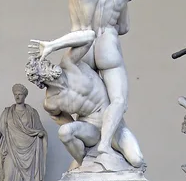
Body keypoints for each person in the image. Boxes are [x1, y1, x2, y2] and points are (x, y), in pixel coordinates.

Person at [29, 0, 138, 158]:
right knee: (117, 100)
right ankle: (105, 145)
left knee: (81, 95)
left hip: (81, 38)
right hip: (108, 44)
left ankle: (89, 150)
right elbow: (124, 27)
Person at [26, 29, 143, 169]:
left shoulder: (69, 64)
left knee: (137, 160)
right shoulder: (51, 102)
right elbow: (64, 121)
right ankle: (86, 163)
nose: (49, 63)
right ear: (40, 77)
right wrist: (80, 142)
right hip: (90, 129)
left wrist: (53, 45)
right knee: (64, 132)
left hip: (113, 124)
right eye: (43, 65)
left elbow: (89, 36)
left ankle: (102, 152)